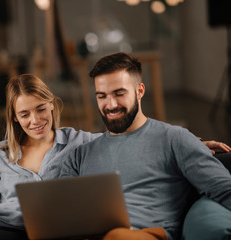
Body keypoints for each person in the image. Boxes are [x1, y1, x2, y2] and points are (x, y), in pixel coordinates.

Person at [0, 73, 229, 240]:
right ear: (14, 118)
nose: (35, 120)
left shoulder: (80, 141)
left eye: (41, 109)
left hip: (55, 233)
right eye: (24, 114)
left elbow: (132, 137)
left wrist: (195, 143)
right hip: (4, 230)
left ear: (52, 106)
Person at [60, 52, 231, 240]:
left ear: (140, 91)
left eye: (119, 93)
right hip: (91, 235)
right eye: (102, 96)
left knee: (117, 236)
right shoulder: (79, 155)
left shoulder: (175, 138)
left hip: (144, 234)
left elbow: (224, 188)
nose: (111, 104)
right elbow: (61, 213)